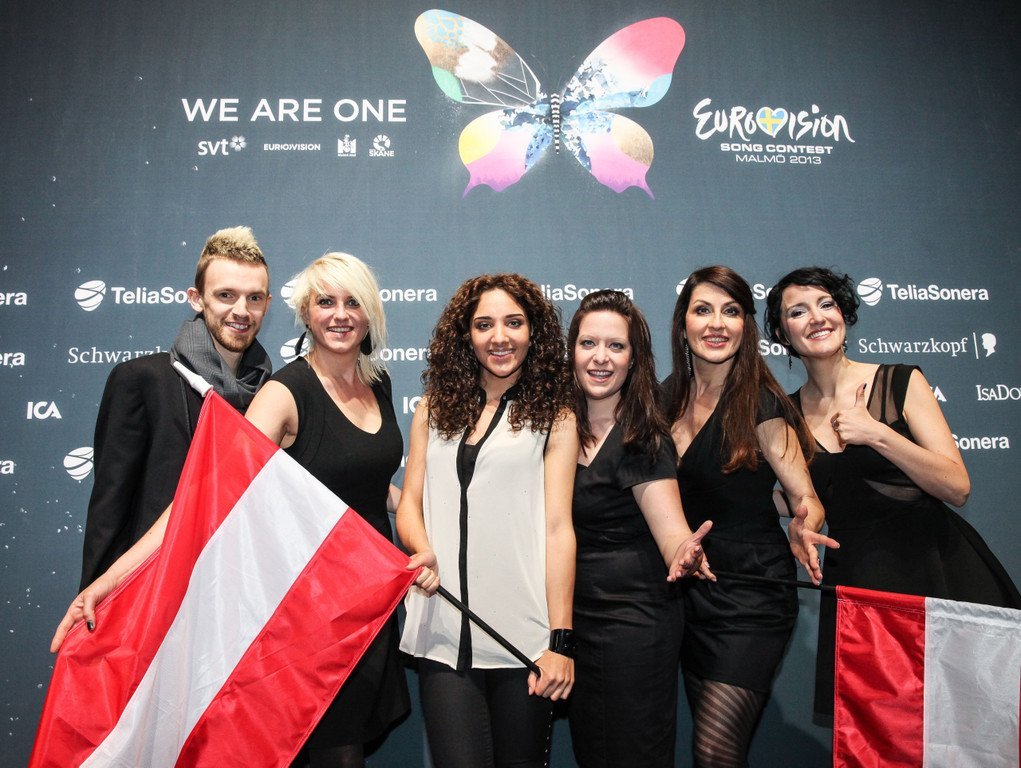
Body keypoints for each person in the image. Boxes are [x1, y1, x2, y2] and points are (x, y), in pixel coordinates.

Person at [54, 253, 435, 768]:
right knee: (336, 754)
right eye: (326, 301)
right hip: (309, 612)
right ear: (305, 312)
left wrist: (427, 529)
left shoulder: (378, 382)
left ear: (371, 313)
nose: (340, 314)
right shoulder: (283, 393)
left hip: (369, 600)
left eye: (353, 302)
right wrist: (107, 582)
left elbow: (365, 482)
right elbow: (207, 493)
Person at [764, 265, 1021, 718]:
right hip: (859, 581)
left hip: (937, 571)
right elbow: (803, 496)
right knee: (880, 729)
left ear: (844, 314)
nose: (817, 317)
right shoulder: (785, 414)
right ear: (783, 333)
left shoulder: (900, 381)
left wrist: (878, 434)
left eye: (826, 304)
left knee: (968, 722)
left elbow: (957, 486)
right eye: (798, 311)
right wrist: (794, 519)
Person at [396, 273, 577, 768]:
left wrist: (560, 641)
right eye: (484, 324)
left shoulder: (556, 416)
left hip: (526, 638)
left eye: (514, 323)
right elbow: (410, 503)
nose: (500, 337)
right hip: (442, 628)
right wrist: (421, 549)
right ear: (466, 335)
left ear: (533, 332)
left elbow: (558, 529)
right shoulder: (432, 409)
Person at [663, 266, 837, 768]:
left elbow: (805, 497)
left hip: (751, 598)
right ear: (683, 323)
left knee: (715, 751)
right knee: (714, 753)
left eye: (731, 311)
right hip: (687, 594)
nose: (717, 324)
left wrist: (803, 525)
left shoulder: (762, 403)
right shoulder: (664, 397)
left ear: (746, 326)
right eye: (703, 310)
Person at [565, 290, 713, 768]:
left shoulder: (643, 436)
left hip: (633, 623)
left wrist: (683, 552)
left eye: (616, 346)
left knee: (632, 753)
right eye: (589, 343)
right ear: (572, 350)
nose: (601, 358)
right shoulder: (555, 428)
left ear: (634, 359)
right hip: (572, 621)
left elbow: (671, 530)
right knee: (593, 751)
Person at [79, 226, 272, 589]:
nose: (241, 311)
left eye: (254, 298)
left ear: (267, 304)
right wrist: (97, 599)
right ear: (197, 299)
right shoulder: (142, 380)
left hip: (238, 587)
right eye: (226, 295)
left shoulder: (273, 394)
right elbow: (109, 510)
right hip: (157, 588)